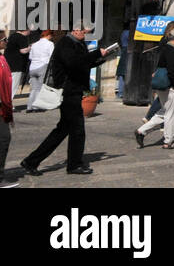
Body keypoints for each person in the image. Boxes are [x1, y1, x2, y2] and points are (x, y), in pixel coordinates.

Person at [20, 22, 116, 176]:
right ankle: (74, 165)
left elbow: (83, 63)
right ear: (76, 30)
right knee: (77, 129)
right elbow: (73, 63)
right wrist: (96, 53)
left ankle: (31, 161)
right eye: (84, 32)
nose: (85, 34)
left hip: (75, 90)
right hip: (67, 92)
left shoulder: (78, 44)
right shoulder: (66, 43)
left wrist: (101, 57)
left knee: (62, 130)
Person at [135, 23, 174, 148]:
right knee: (171, 113)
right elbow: (172, 69)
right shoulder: (172, 51)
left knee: (164, 112)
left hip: (163, 85)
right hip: (170, 86)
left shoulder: (166, 48)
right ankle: (168, 141)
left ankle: (141, 131)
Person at [24, 32, 55, 112]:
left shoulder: (34, 44)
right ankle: (37, 107)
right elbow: (52, 56)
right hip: (43, 66)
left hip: (33, 67)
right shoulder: (50, 44)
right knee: (40, 88)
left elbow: (30, 57)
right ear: (49, 35)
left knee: (34, 88)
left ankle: (29, 107)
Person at [0, 35, 14, 187]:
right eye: (4, 39)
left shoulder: (2, 58)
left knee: (4, 138)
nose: (6, 42)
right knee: (3, 138)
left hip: (3, 106)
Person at [115, 24, 132, 100]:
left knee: (122, 73)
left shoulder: (123, 33)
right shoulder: (129, 33)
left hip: (124, 51)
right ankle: (122, 92)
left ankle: (120, 92)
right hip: (128, 51)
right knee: (124, 72)